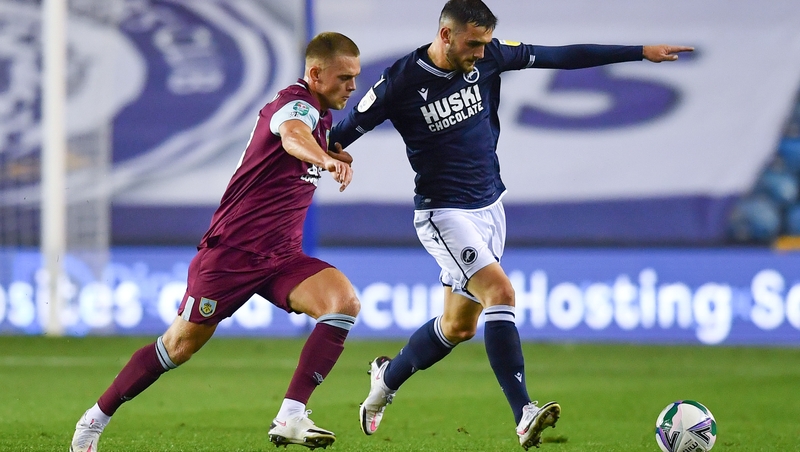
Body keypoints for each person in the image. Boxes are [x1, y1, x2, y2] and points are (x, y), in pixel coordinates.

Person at [329, 0, 693, 449]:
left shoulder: (493, 57)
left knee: (458, 327)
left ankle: (385, 380)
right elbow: (338, 133)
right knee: (501, 293)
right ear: (445, 35)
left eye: (485, 43)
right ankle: (524, 414)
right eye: (473, 43)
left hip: (490, 208)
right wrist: (331, 155)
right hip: (444, 214)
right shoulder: (401, 81)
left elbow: (562, 55)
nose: (482, 53)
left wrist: (639, 51)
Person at [70, 32, 362, 452]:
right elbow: (292, 135)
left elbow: (305, 140)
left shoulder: (321, 115)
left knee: (343, 304)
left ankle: (291, 415)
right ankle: (93, 422)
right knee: (177, 347)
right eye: (344, 77)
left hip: (282, 257)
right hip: (232, 254)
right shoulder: (295, 104)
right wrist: (325, 158)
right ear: (315, 74)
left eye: (355, 78)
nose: (352, 87)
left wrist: (329, 150)